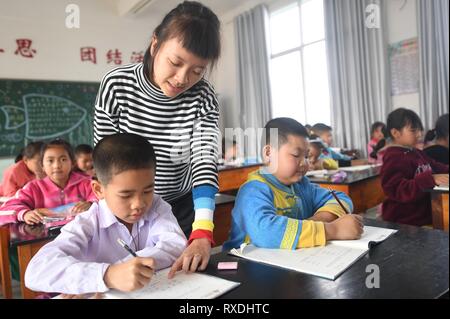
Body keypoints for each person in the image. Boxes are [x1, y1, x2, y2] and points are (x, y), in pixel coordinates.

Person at [93, 1, 221, 276]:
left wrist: (203, 230)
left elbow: (204, 162)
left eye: (197, 71)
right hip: (126, 208)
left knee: (181, 281)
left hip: (181, 206)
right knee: (127, 279)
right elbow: (106, 159)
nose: (182, 79)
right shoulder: (117, 86)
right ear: (155, 45)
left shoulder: (203, 96)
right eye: (175, 63)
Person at [25, 133, 187, 295]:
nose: (139, 203)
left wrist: (127, 266)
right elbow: (35, 271)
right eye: (126, 195)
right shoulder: (88, 222)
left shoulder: (157, 206)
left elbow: (175, 246)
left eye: (147, 190)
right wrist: (107, 274)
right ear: (98, 190)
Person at [223, 118, 363, 251]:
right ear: (268, 153)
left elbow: (341, 198)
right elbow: (266, 232)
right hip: (244, 267)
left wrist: (317, 221)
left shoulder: (302, 185)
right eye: (296, 155)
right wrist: (333, 230)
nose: (304, 163)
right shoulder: (253, 191)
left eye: (307, 156)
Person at [0, 139, 96, 225]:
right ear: (42, 166)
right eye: (50, 160)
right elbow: (5, 210)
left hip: (83, 238)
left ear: (72, 163)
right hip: (44, 241)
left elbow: (104, 198)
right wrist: (24, 213)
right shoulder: (33, 188)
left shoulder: (86, 183)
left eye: (63, 159)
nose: (57, 165)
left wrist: (91, 204)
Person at [380, 108, 449, 226]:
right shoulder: (392, 157)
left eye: (419, 130)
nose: (419, 134)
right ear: (395, 133)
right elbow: (397, 189)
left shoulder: (416, 152)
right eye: (413, 130)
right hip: (406, 221)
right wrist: (431, 179)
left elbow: (436, 166)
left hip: (424, 214)